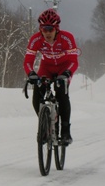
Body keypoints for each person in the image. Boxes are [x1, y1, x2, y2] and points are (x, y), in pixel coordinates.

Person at [23, 8, 79, 144]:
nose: (47, 33)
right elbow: (28, 61)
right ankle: (45, 126)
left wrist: (67, 73)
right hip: (46, 67)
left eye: (50, 29)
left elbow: (74, 61)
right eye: (44, 29)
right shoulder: (36, 39)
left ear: (57, 29)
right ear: (40, 29)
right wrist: (31, 74)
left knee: (61, 93)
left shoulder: (67, 38)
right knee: (38, 92)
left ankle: (65, 131)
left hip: (64, 67)